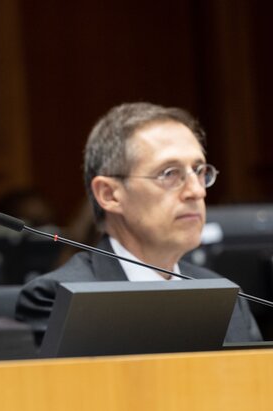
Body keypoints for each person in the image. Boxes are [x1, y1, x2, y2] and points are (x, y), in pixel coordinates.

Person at [15, 102, 262, 344]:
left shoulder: (226, 296)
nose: (196, 191)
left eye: (199, 171)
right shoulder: (59, 298)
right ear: (109, 195)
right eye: (169, 173)